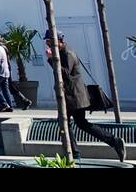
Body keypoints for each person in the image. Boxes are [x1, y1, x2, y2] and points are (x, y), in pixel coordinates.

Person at [45, 34, 125, 162]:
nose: (48, 45)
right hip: (72, 96)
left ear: (59, 41)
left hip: (74, 97)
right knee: (81, 123)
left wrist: (50, 59)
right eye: (47, 43)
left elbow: (65, 73)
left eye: (49, 42)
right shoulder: (63, 53)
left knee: (64, 122)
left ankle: (74, 154)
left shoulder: (68, 54)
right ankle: (114, 141)